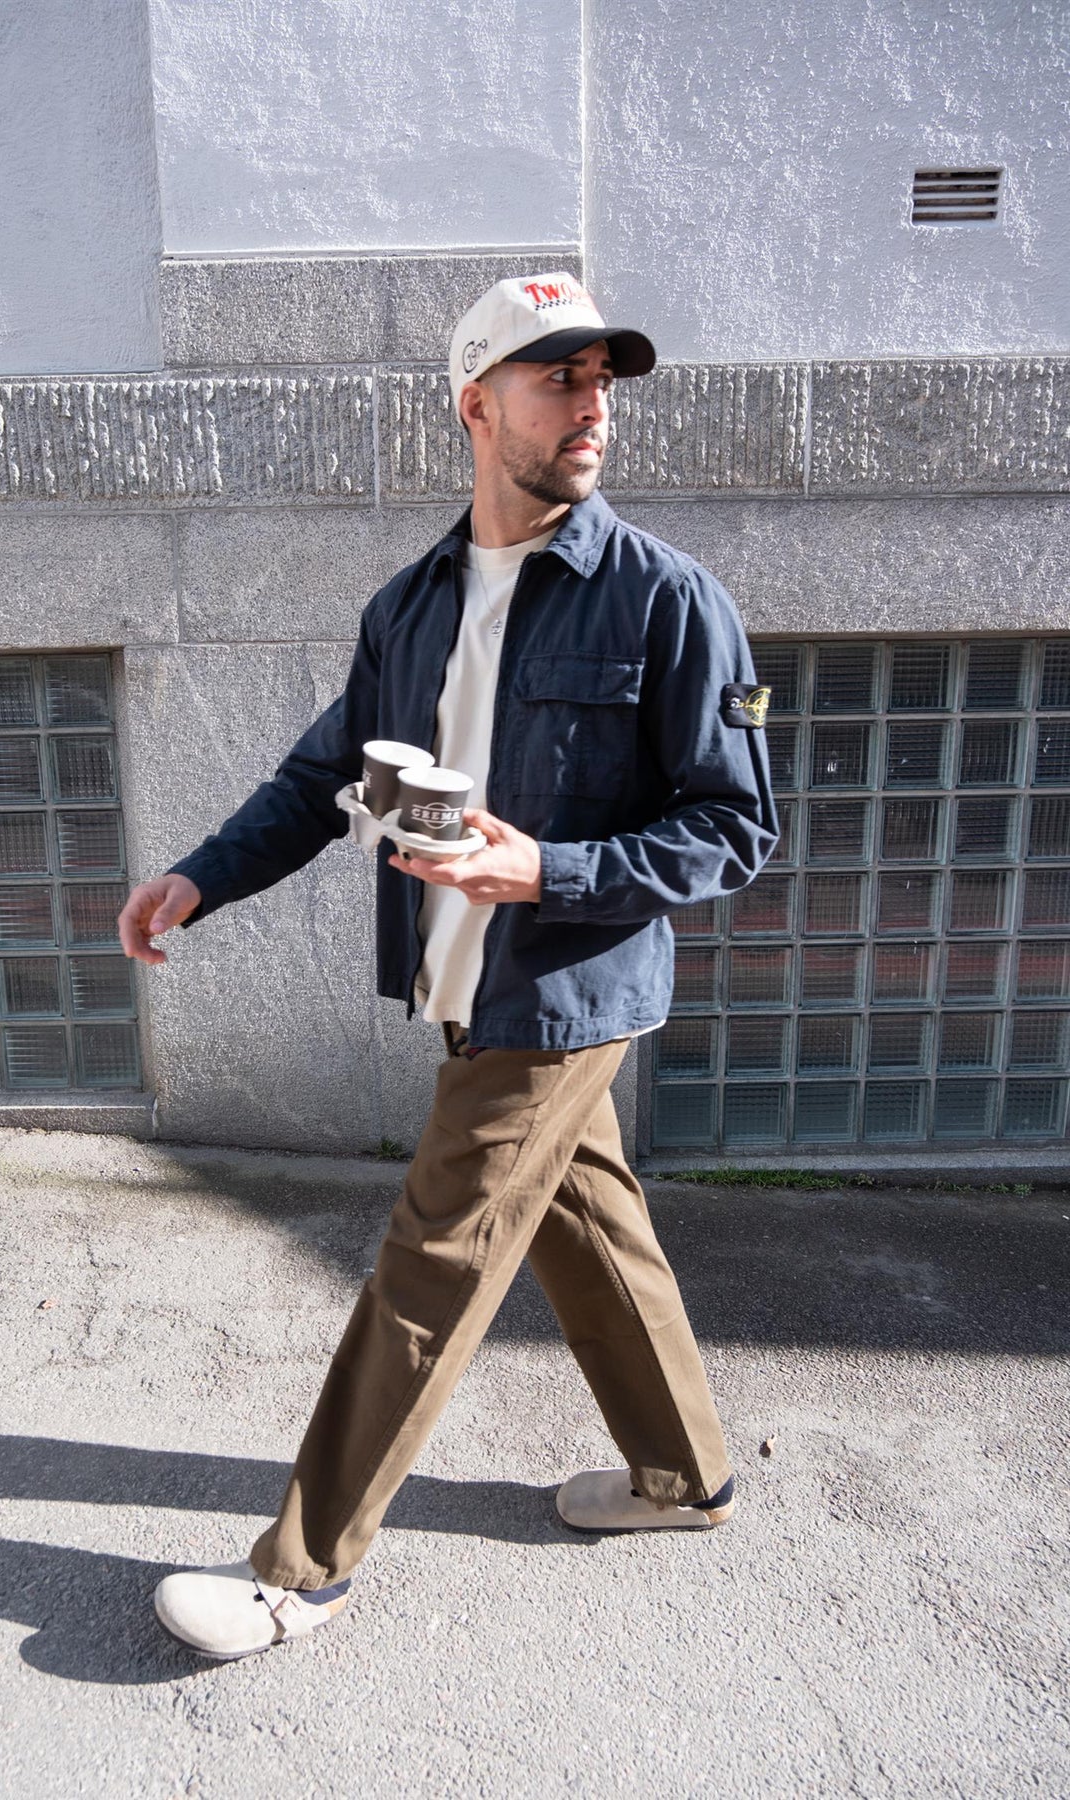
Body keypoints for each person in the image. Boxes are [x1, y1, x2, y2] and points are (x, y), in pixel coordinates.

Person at [119, 271, 778, 1660]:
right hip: (460, 982)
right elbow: (323, 778)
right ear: (477, 405)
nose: (591, 406)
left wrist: (547, 871)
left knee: (433, 1259)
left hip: (563, 992)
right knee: (588, 1222)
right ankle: (686, 1478)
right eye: (559, 378)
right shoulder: (412, 605)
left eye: (603, 380)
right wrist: (200, 875)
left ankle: (301, 1569)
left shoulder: (666, 600)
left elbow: (734, 828)